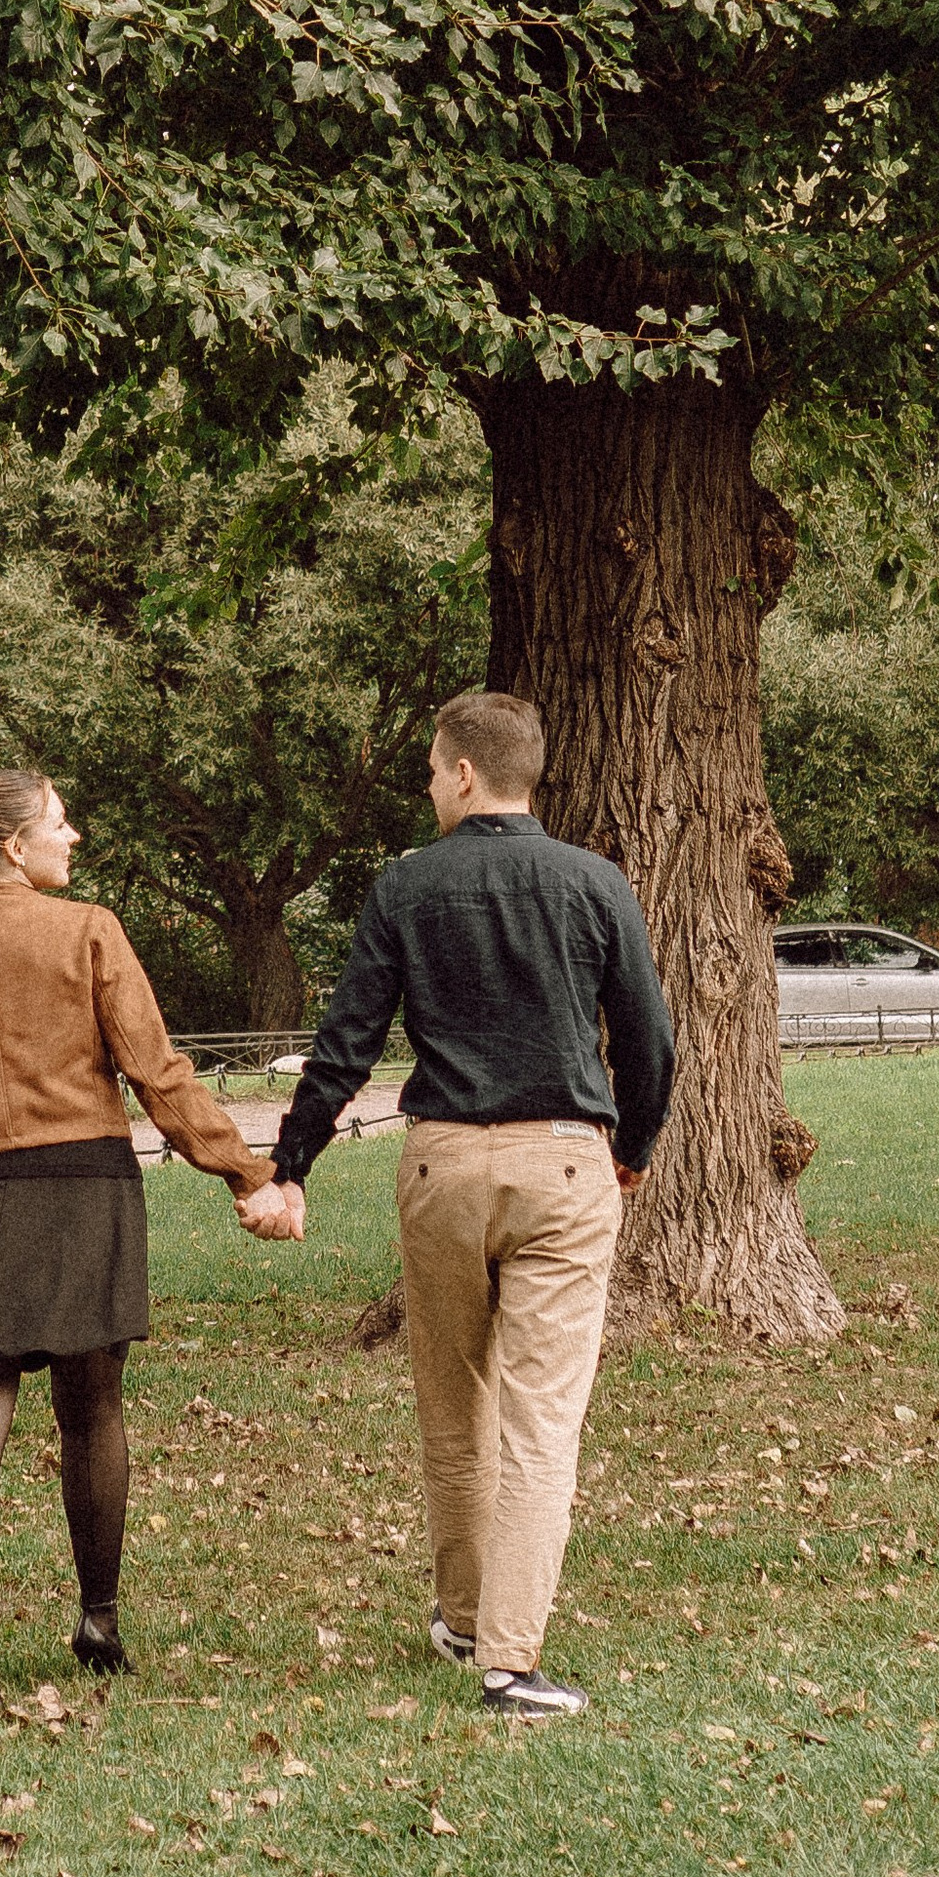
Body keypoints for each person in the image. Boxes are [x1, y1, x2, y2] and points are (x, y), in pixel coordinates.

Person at [261, 689, 673, 1720]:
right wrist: (632, 1147)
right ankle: (509, 1660)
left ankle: (462, 1614)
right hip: (566, 1164)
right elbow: (650, 1040)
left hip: (441, 1165)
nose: (427, 785)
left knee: (453, 1403)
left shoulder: (407, 890)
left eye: (430, 769)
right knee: (541, 1421)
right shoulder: (595, 882)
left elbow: (347, 1040)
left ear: (459, 774)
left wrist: (292, 1164)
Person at [0, 765, 297, 1717]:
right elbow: (158, 1072)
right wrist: (246, 1172)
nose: (76, 839)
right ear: (16, 846)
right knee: (92, 1411)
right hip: (80, 1193)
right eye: (62, 824)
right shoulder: (91, 932)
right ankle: (99, 1621)